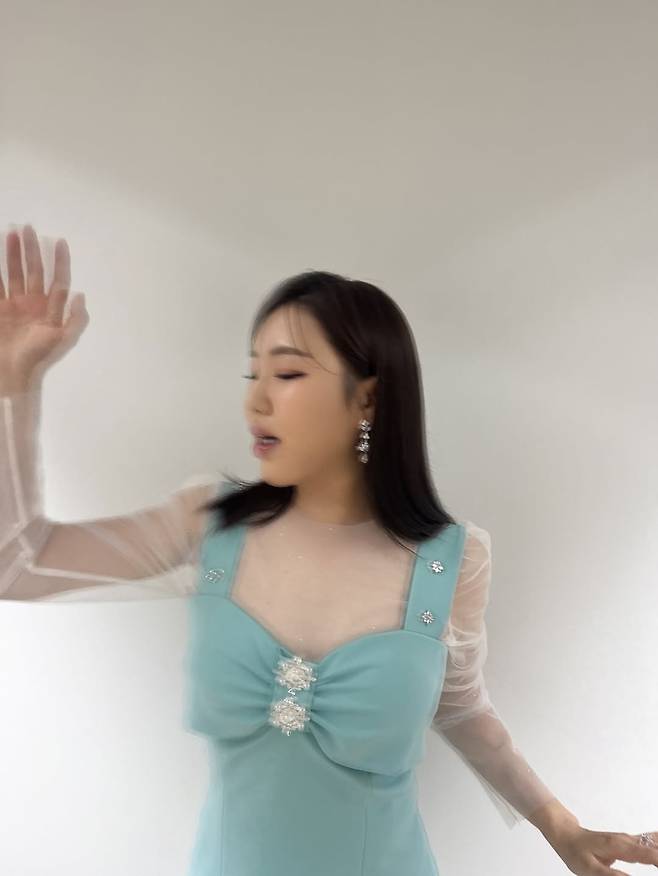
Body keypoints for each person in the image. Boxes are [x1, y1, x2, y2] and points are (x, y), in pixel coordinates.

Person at [1, 224, 656, 876]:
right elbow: (16, 563)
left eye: (287, 372)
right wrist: (13, 380)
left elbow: (460, 709)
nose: (256, 399)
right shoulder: (207, 526)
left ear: (367, 396)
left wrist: (562, 829)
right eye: (253, 373)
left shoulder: (450, 560)